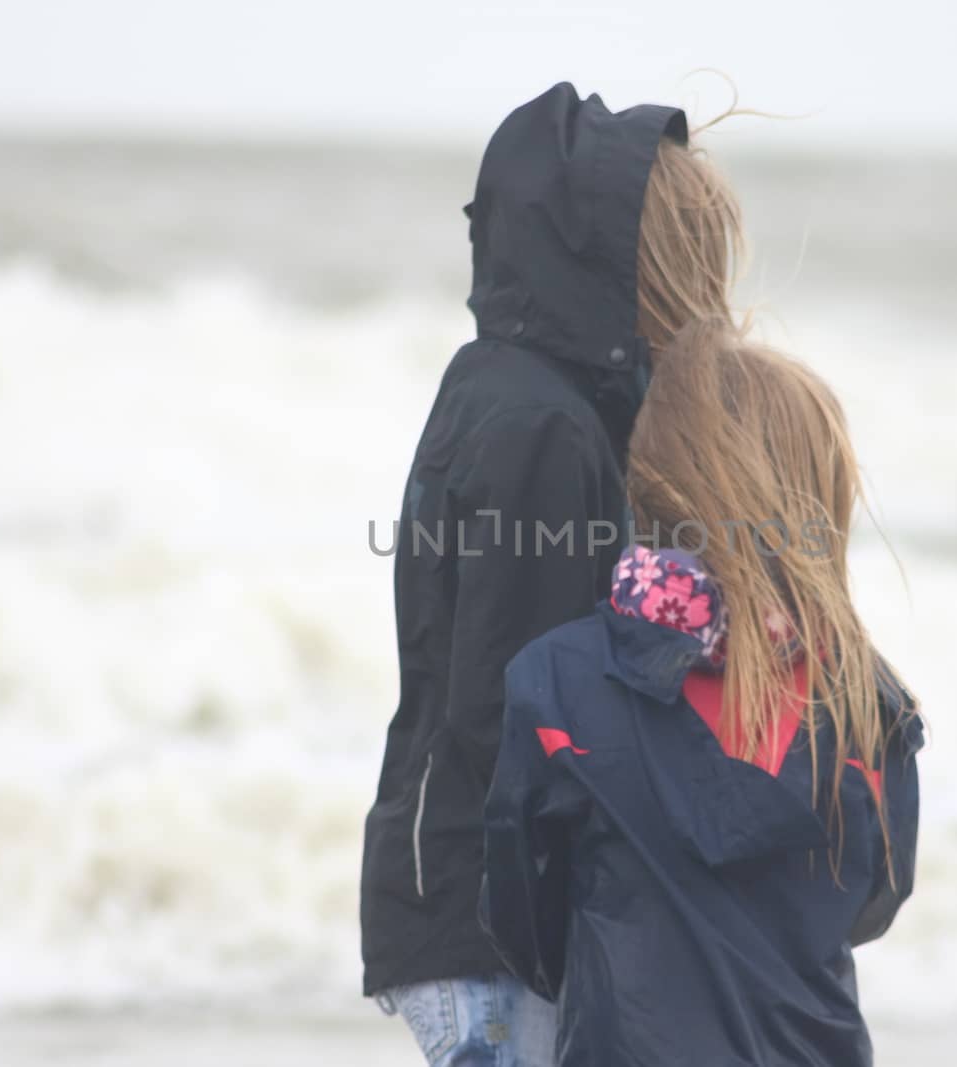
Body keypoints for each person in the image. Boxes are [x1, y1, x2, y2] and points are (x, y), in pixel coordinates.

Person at [360, 83, 744, 1065]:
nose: (705, 291)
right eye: (686, 254)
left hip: (470, 894)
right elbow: (519, 705)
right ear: (611, 258)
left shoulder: (528, 388)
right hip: (485, 918)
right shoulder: (540, 423)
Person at [481, 320, 925, 1067]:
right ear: (822, 506)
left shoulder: (558, 682)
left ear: (651, 485)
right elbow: (875, 902)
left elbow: (521, 918)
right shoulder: (869, 705)